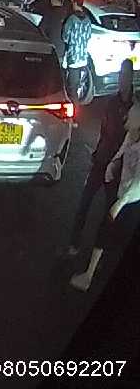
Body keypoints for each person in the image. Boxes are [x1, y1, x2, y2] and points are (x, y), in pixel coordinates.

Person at [71, 99, 140, 291]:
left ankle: (93, 276)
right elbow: (121, 152)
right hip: (123, 194)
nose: (127, 116)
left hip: (132, 201)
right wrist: (112, 164)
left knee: (114, 236)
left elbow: (139, 183)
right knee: (106, 232)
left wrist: (121, 203)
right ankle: (90, 274)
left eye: (133, 113)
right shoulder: (131, 135)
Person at [69, 59, 133, 255]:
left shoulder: (134, 106)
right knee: (85, 202)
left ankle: (101, 247)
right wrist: (97, 155)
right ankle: (75, 242)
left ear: (130, 78)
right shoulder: (112, 103)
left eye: (125, 76)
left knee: (109, 210)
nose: (122, 80)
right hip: (102, 160)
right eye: (121, 75)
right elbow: (105, 132)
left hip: (117, 164)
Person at [62, 0, 92, 99]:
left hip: (73, 57)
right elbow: (88, 36)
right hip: (83, 57)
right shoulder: (88, 20)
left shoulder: (71, 19)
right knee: (77, 85)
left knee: (72, 88)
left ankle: (75, 107)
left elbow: (65, 37)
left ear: (74, 3)